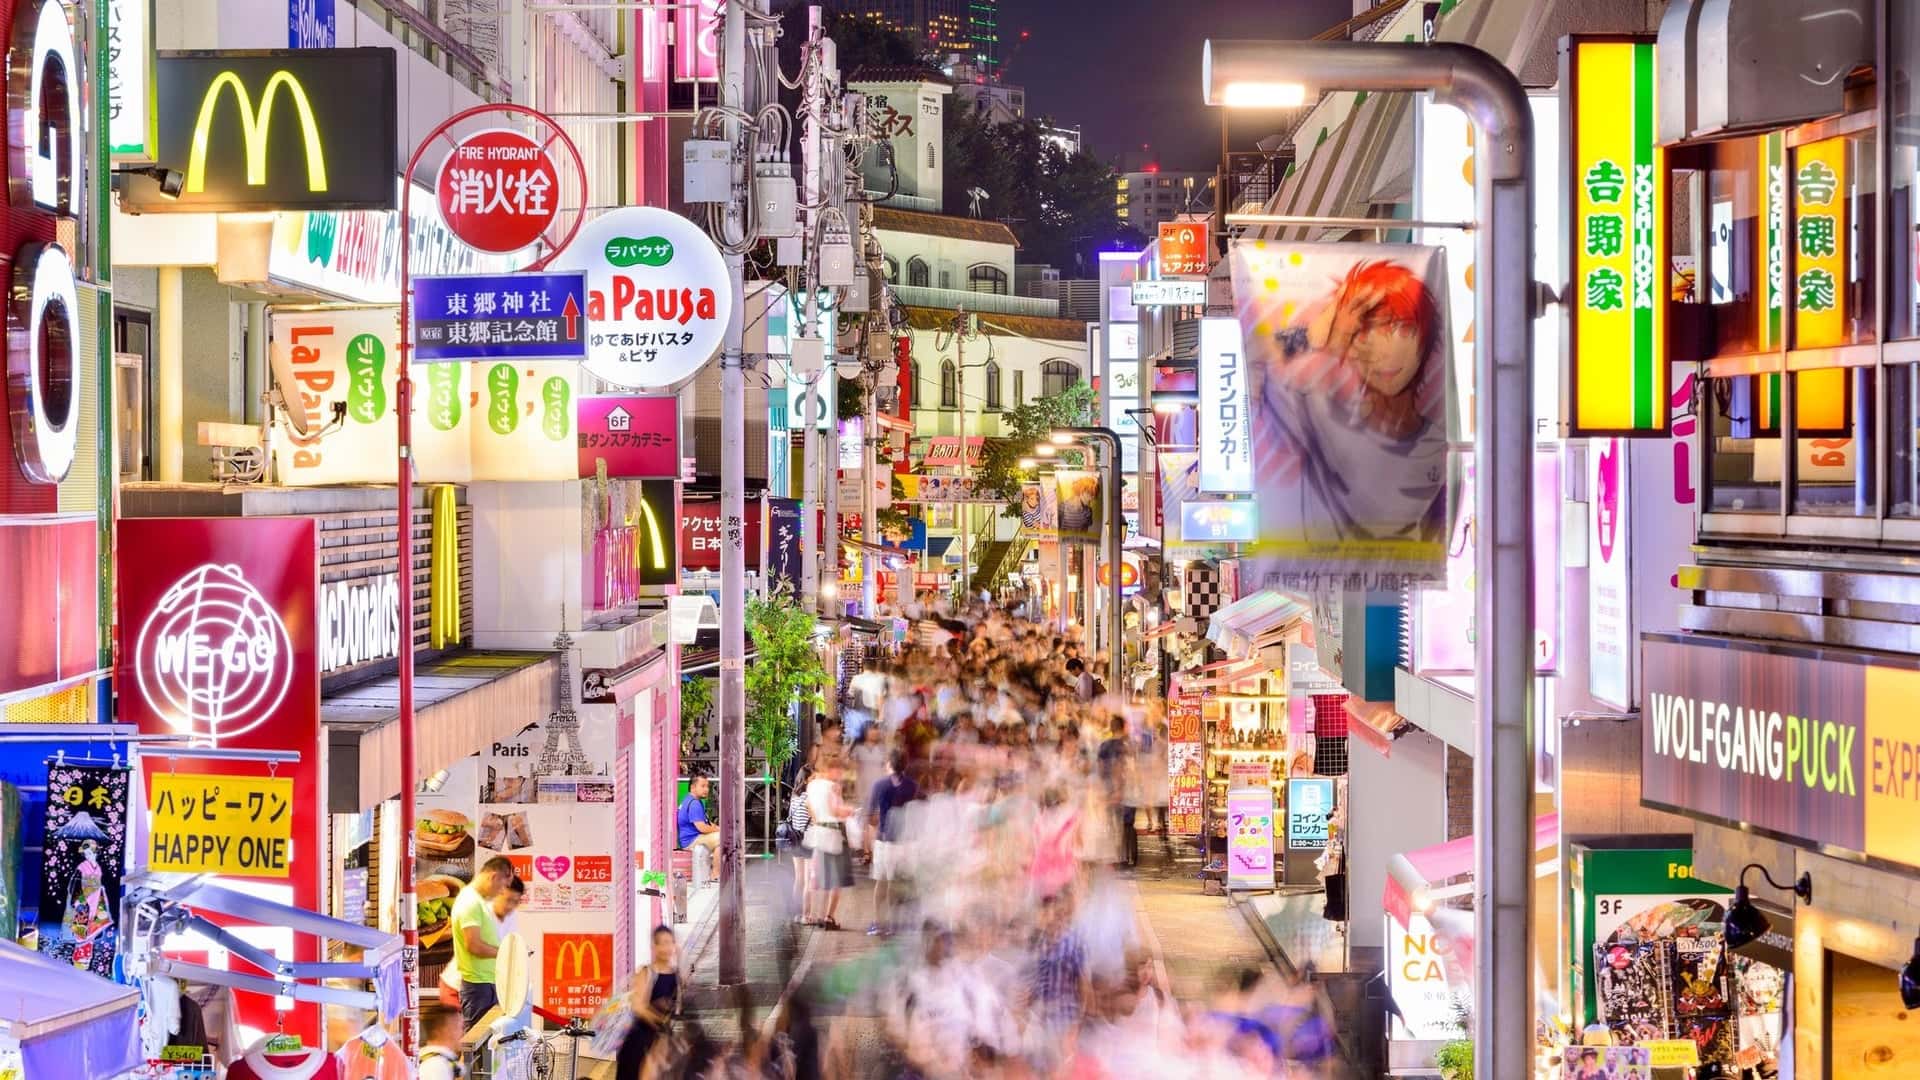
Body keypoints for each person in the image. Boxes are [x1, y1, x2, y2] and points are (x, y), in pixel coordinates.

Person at [451, 855, 514, 1030]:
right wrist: (505, 952)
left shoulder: (477, 901)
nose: (502, 891)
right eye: (503, 885)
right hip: (478, 986)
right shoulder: (470, 902)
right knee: (476, 1044)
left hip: (485, 984)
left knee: (487, 1043)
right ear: (494, 877)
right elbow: (474, 945)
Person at [616, 925, 681, 1080]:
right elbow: (638, 1007)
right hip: (640, 1041)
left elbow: (680, 1006)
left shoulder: (678, 975)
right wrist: (660, 1021)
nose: (666, 948)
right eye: (662, 943)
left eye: (670, 942)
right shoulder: (647, 972)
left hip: (664, 1041)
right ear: (654, 947)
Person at [866, 749, 918, 936]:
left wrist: (878, 826)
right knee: (897, 883)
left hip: (884, 840)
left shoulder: (879, 785)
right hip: (905, 841)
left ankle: (879, 922)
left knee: (881, 882)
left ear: (889, 764)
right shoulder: (912, 785)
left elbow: (870, 815)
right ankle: (895, 923)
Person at [803, 757, 855, 929]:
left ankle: (818, 915)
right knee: (836, 879)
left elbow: (808, 806)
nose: (841, 774)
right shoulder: (832, 787)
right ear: (831, 769)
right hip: (834, 834)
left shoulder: (812, 785)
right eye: (839, 770)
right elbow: (835, 810)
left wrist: (818, 820)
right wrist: (849, 811)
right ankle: (829, 917)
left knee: (820, 879)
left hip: (818, 834)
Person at [677, 775, 718, 883]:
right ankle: (715, 874)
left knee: (721, 836)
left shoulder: (691, 800)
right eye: (703, 786)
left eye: (707, 786)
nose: (706, 789)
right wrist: (718, 830)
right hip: (692, 840)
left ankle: (715, 872)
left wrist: (717, 828)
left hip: (695, 837)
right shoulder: (694, 804)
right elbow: (702, 828)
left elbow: (706, 823)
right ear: (692, 787)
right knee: (723, 839)